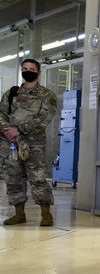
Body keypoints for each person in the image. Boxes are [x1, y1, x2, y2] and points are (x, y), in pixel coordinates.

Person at [0, 59, 58, 227]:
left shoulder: (47, 95)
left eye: (32, 69)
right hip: (11, 143)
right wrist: (8, 129)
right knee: (13, 178)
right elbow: (1, 113)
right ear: (21, 71)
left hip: (34, 144)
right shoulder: (12, 93)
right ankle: (19, 214)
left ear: (38, 72)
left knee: (38, 178)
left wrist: (18, 129)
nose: (28, 71)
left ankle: (46, 214)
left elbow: (44, 119)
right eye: (25, 68)